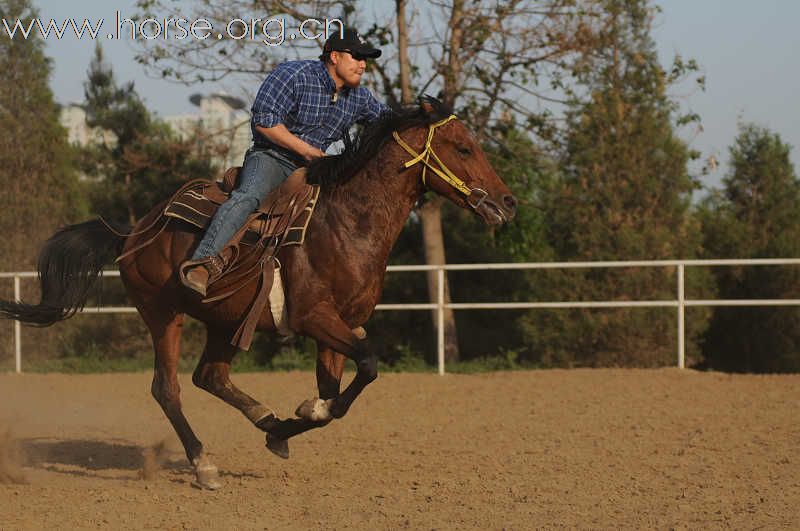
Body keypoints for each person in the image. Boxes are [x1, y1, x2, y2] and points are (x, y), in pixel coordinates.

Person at [181, 28, 390, 295]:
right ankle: (201, 263)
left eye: (366, 59)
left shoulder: (359, 97)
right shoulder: (294, 74)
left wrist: (422, 117)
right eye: (357, 57)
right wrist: (309, 152)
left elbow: (387, 121)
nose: (363, 65)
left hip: (315, 169)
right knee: (249, 196)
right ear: (334, 56)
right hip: (271, 158)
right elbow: (265, 123)